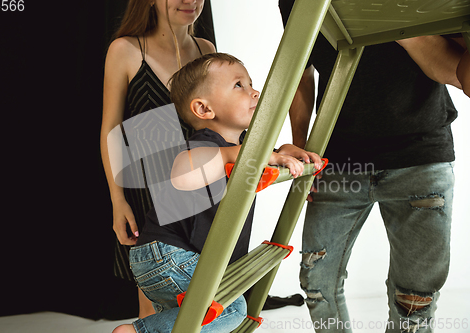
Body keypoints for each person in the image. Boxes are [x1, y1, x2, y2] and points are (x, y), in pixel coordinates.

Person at [278, 1, 465, 332]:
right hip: (337, 160)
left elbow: (456, 70)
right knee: (317, 283)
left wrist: (400, 25)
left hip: (419, 156)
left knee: (415, 297)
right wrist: (306, 154)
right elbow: (301, 71)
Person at [112, 52, 322, 333]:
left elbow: (265, 153)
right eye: (239, 85)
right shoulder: (204, 144)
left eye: (251, 84)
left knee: (194, 323)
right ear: (203, 109)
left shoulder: (244, 147)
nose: (254, 92)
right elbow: (182, 172)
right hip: (169, 254)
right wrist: (239, 155)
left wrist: (285, 150)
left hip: (170, 257)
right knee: (232, 308)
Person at [100, 0, 216, 318]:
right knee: (155, 303)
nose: (189, 1)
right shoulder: (125, 50)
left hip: (203, 192)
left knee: (207, 301)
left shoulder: (206, 49)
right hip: (148, 196)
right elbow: (111, 131)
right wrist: (117, 200)